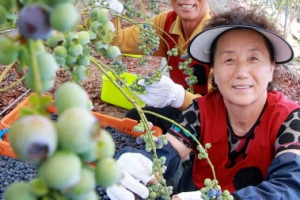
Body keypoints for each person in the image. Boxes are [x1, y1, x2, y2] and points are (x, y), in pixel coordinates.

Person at [106, 7, 300, 200]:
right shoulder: (201, 111)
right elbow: (167, 151)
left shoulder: (290, 120)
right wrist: (140, 163)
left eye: (254, 58)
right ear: (213, 68)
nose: (242, 72)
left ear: (271, 68)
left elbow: (290, 186)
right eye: (229, 59)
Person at [106, 0, 212, 133]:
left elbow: (219, 110)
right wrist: (110, 13)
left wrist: (179, 97)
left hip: (212, 124)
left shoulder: (218, 36)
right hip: (180, 110)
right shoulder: (166, 23)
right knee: (135, 119)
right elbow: (118, 41)